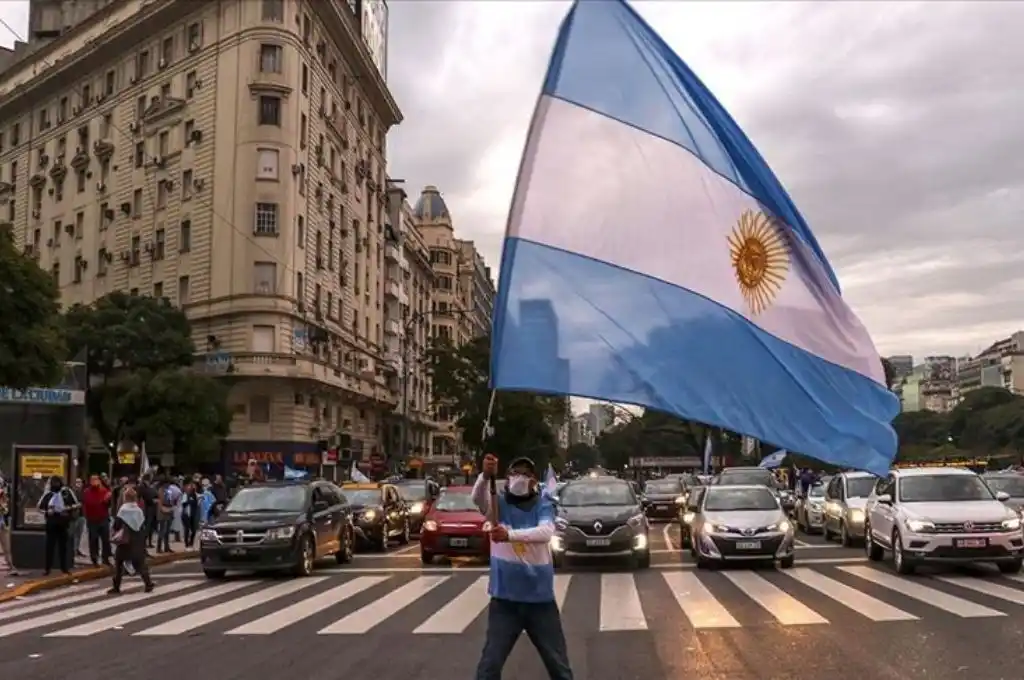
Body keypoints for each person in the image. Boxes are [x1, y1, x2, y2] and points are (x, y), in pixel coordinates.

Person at [471, 454, 573, 680]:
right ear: (507, 478)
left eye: (526, 474)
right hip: (505, 601)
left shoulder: (543, 503)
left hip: (539, 601)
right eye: (515, 472)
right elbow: (477, 498)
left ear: (534, 481)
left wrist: (509, 535)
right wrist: (485, 475)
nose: (520, 477)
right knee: (489, 666)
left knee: (559, 667)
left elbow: (545, 532)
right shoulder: (498, 505)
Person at [109, 487, 154, 594]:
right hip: (137, 539)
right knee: (140, 563)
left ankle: (116, 586)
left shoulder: (123, 510)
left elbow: (117, 525)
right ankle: (148, 583)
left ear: (125, 498)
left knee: (119, 563)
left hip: (125, 540)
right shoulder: (138, 510)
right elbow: (142, 524)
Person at [37, 476, 77, 575]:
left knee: (63, 547)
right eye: (53, 482)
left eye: (57, 482)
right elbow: (39, 507)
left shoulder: (66, 492)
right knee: (49, 547)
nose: (55, 484)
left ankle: (64, 568)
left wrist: (67, 509)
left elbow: (77, 504)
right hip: (51, 524)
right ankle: (47, 569)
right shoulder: (48, 494)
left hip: (63, 523)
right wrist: (47, 511)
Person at [81, 474, 113, 566]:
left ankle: (105, 558)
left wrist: (107, 500)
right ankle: (94, 558)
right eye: (92, 480)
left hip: (103, 518)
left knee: (105, 539)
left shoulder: (105, 491)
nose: (94, 481)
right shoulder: (87, 492)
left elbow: (109, 505)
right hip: (92, 519)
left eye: (96, 479)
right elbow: (87, 503)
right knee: (93, 539)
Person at [0, 479, 18, 575]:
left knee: (7, 546)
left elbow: (6, 508)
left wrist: (4, 507)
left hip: (3, 523)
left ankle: (11, 566)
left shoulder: (4, 496)